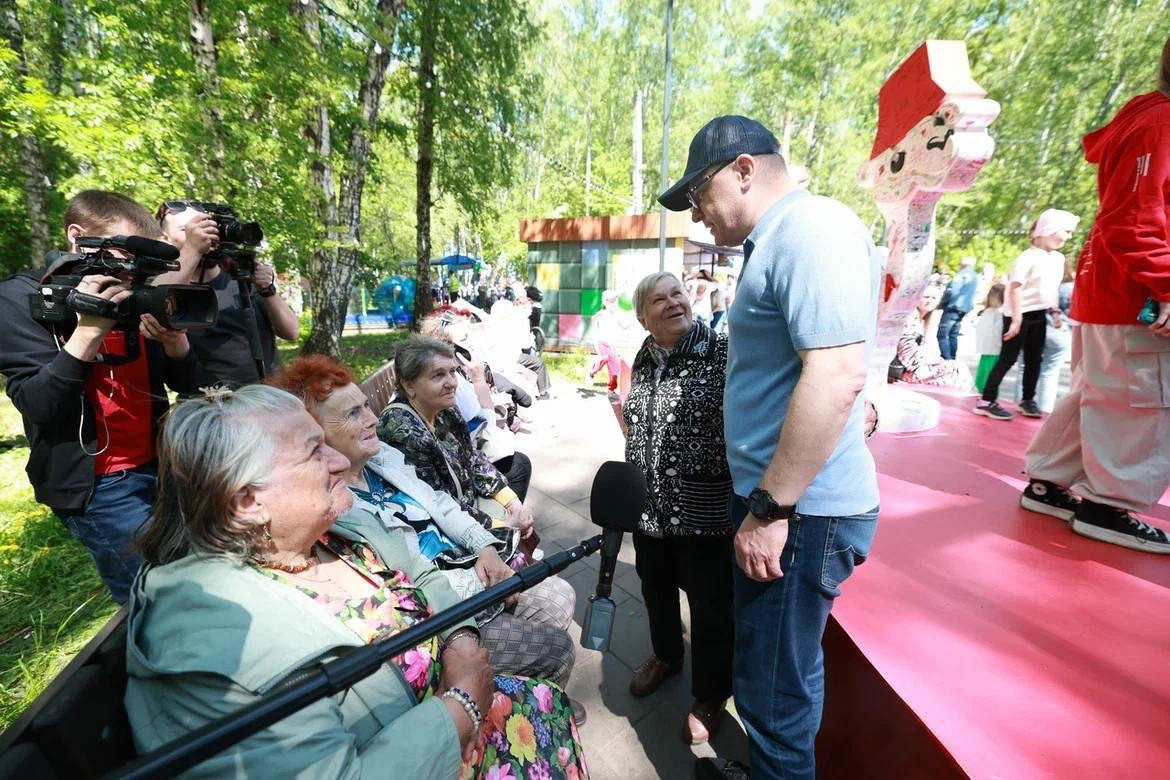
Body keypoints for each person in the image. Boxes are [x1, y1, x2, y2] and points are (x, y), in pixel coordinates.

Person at [125, 385, 588, 778]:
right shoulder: (220, 643)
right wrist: (462, 707)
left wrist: (463, 643)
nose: (338, 461)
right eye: (314, 450)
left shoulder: (334, 531)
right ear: (247, 501)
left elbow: (423, 571)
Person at [658, 115, 880, 780]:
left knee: (775, 699)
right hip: (780, 507)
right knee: (766, 682)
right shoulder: (776, 240)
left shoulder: (811, 230)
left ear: (745, 170)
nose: (697, 216)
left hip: (796, 515)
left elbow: (837, 373)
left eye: (699, 196)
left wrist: (772, 511)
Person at [0, 190, 206, 604]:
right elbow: (39, 404)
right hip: (99, 484)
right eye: (124, 257)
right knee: (159, 601)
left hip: (161, 463)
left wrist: (176, 345)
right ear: (78, 238)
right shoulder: (19, 299)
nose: (133, 276)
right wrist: (89, 330)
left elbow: (190, 386)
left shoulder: (135, 290)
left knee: (196, 575)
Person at [1019, 38, 1170, 554]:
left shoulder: (1145, 119)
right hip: (1135, 294)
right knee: (1142, 401)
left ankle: (1047, 482)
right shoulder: (1162, 124)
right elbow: (1133, 220)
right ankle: (1109, 505)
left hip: (1110, 289)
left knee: (1096, 394)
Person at [620, 271, 735, 746]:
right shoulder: (643, 358)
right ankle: (666, 656)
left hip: (703, 509)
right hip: (650, 509)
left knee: (710, 607)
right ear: (643, 317)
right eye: (658, 299)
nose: (672, 303)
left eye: (678, 294)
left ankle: (710, 694)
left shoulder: (723, 352)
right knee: (656, 590)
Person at [378, 336, 536, 537]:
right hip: (440, 526)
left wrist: (512, 502)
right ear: (409, 386)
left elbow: (472, 456)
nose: (451, 383)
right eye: (438, 375)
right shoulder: (401, 429)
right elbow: (437, 504)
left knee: (519, 466)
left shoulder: (443, 408)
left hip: (464, 499)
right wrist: (501, 525)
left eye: (452, 372)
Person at [157, 201, 300, 388]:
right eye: (187, 230)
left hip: (270, 395)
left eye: (204, 226)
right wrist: (192, 249)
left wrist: (267, 289)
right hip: (213, 402)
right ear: (165, 238)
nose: (200, 235)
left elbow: (291, 332)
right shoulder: (164, 283)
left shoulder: (241, 275)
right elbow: (157, 303)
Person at [972, 208, 1079, 420]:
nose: (1068, 237)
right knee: (1007, 358)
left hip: (1039, 313)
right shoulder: (1027, 257)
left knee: (1034, 358)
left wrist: (1055, 311)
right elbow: (1014, 288)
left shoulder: (1057, 259)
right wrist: (1016, 320)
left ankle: (1027, 399)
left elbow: (1050, 288)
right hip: (1017, 313)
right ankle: (986, 399)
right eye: (1065, 231)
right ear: (1047, 230)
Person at [894, 285, 974, 390]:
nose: (929, 301)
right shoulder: (911, 316)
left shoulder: (923, 319)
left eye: (933, 298)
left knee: (957, 368)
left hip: (912, 367)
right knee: (958, 370)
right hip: (906, 371)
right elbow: (906, 348)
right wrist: (929, 362)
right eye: (926, 297)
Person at [936, 256, 978, 360]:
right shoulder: (974, 276)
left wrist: (941, 303)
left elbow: (952, 291)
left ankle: (947, 358)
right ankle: (952, 358)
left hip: (954, 306)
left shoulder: (963, 275)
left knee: (943, 334)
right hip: (963, 308)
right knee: (953, 334)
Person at [589, 289, 625, 393]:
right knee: (604, 358)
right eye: (610, 302)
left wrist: (630, 318)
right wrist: (595, 323)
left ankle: (611, 389)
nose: (613, 304)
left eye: (615, 301)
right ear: (605, 303)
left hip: (612, 345)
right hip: (602, 342)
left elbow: (624, 325)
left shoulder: (617, 315)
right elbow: (593, 320)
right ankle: (592, 372)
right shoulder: (602, 313)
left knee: (615, 369)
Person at [974, 283, 1006, 393]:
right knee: (982, 373)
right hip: (986, 348)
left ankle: (989, 393)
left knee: (989, 373)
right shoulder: (989, 311)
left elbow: (998, 331)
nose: (993, 299)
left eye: (995, 297)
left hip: (993, 348)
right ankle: (983, 391)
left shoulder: (1000, 313)